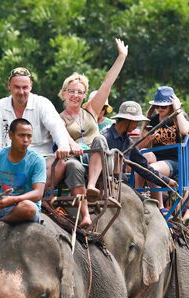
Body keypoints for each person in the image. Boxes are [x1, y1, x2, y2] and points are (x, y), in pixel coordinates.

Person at [53, 38, 129, 227]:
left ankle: (92, 185)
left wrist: (121, 57)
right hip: (77, 159)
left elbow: (107, 83)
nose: (75, 95)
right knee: (72, 166)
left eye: (80, 92)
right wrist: (73, 145)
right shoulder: (57, 118)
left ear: (84, 95)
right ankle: (84, 213)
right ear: (64, 93)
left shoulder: (91, 111)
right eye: (71, 91)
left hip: (101, 162)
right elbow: (63, 136)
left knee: (99, 141)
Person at [0, 67, 69, 200]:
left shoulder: (42, 104)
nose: (21, 92)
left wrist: (63, 145)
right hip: (7, 162)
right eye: (17, 87)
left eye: (25, 87)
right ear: (9, 86)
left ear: (31, 86)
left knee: (60, 164)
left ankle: (27, 197)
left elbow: (57, 127)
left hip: (38, 160)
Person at [101, 101, 177, 191]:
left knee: (145, 203)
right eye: (136, 122)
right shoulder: (105, 137)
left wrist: (166, 181)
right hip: (106, 185)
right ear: (127, 120)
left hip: (121, 186)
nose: (137, 125)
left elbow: (143, 167)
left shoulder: (128, 142)